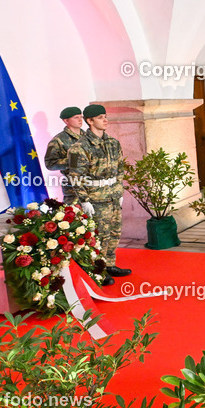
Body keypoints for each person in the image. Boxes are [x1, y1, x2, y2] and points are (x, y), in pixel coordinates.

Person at [67, 104, 131, 279]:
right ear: (90, 121)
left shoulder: (113, 143)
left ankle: (109, 265)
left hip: (113, 195)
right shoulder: (78, 148)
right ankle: (98, 270)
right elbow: (75, 176)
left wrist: (119, 191)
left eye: (105, 116)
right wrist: (84, 200)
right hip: (95, 198)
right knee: (99, 235)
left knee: (114, 232)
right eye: (100, 117)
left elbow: (120, 169)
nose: (105, 120)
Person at [43, 106, 85, 203]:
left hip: (93, 186)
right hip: (73, 188)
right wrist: (73, 161)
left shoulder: (88, 137)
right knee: (75, 211)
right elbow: (50, 164)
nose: (80, 120)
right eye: (76, 117)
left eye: (81, 117)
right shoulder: (58, 140)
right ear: (66, 121)